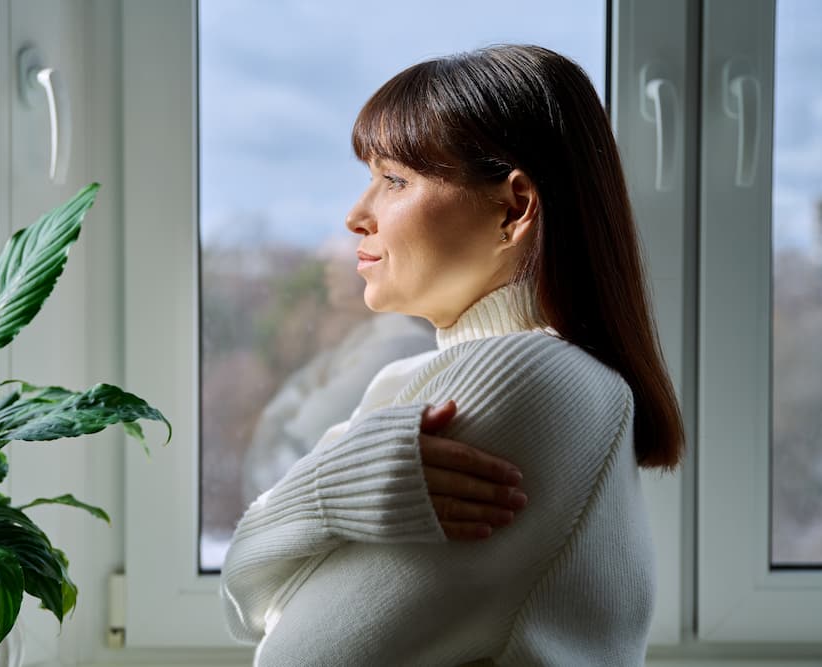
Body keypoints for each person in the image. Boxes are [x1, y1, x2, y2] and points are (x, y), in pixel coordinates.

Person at [220, 44, 685, 666]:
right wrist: (324, 492)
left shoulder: (531, 378)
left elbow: (296, 653)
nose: (357, 215)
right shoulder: (414, 377)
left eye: (393, 180)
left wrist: (311, 504)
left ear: (514, 207)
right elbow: (245, 609)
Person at [241, 235, 436, 507]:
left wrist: (283, 410)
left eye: (349, 247)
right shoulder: (362, 340)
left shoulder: (395, 347)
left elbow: (281, 464)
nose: (328, 262)